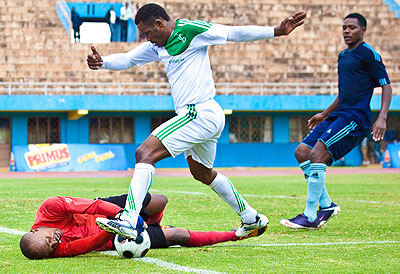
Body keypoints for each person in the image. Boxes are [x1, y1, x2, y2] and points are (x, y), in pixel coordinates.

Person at [87, 3, 306, 240]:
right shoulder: (158, 45)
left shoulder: (190, 30)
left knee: (145, 153)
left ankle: (129, 219)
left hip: (197, 112)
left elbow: (233, 33)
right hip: (203, 116)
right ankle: (251, 218)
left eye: (148, 33)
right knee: (201, 172)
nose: (147, 39)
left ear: (159, 24)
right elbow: (130, 59)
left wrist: (276, 30)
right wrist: (103, 62)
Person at [280, 13, 392, 230]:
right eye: (344, 28)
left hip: (355, 118)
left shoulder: (369, 55)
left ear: (363, 30)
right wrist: (324, 113)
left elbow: (386, 86)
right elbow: (344, 93)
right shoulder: (343, 56)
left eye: (352, 27)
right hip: (338, 114)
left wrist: (382, 116)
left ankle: (311, 215)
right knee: (302, 152)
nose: (347, 31)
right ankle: (326, 205)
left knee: (317, 154)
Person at [19, 193, 265, 259]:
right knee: (177, 235)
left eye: (50, 239)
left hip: (105, 209)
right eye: (52, 247)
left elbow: (93, 206)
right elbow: (84, 247)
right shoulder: (53, 249)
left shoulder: (50, 207)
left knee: (159, 200)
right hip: (111, 235)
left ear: (35, 230)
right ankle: (238, 234)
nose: (56, 241)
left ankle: (150, 223)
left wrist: (125, 217)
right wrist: (114, 229)